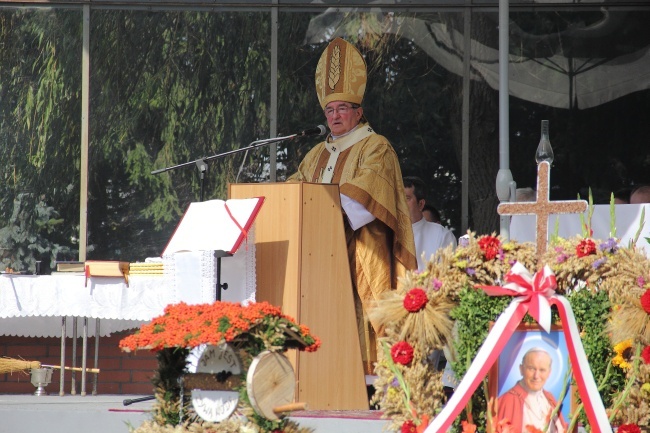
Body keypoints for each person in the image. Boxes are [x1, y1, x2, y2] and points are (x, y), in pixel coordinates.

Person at [287, 37, 417, 373]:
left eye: (342, 108)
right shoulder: (316, 154)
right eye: (329, 110)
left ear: (358, 112)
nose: (334, 116)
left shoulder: (376, 147)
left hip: (361, 254)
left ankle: (367, 382)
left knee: (361, 318)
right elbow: (291, 192)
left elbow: (366, 196)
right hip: (318, 259)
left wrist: (320, 204)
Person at [498, 348, 567, 433]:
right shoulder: (507, 400)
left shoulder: (549, 398)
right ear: (521, 369)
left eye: (542, 370)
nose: (536, 376)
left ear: (549, 373)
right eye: (531, 369)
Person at [403, 176, 456, 271]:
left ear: (421, 204)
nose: (400, 203)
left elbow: (447, 279)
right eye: (397, 198)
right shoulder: (385, 234)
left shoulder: (442, 235)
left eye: (406, 198)